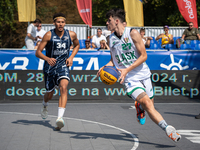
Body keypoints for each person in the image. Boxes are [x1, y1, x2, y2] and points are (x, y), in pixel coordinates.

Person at [97, 8, 181, 142]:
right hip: (129, 79)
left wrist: (127, 69)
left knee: (150, 106)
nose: (107, 23)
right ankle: (168, 129)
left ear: (116, 21)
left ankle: (139, 107)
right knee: (148, 103)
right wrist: (105, 67)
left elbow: (144, 56)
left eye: (109, 20)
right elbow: (113, 60)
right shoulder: (110, 39)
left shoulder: (133, 33)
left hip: (143, 74)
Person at [35, 13, 80, 130]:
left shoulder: (71, 34)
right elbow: (38, 52)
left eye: (62, 22)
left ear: (65, 23)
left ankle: (59, 118)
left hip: (63, 66)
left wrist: (71, 58)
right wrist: (47, 58)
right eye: (58, 22)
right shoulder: (48, 35)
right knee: (49, 94)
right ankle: (45, 105)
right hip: (50, 67)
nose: (60, 24)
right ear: (54, 23)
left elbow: (77, 45)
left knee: (63, 88)